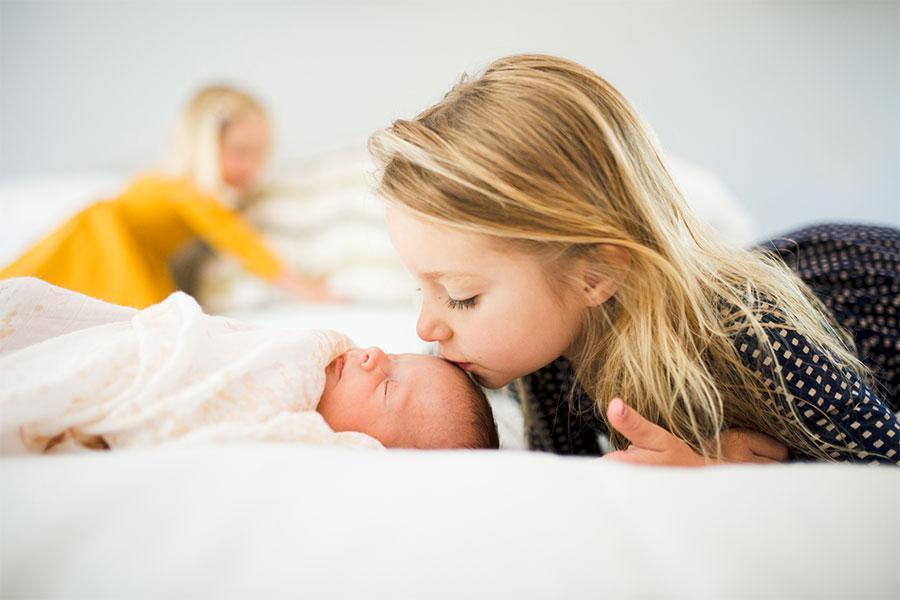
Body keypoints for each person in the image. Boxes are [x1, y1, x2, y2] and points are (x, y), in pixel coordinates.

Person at [368, 54, 900, 465]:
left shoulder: (756, 337)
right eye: (422, 290)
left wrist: (726, 469)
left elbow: (883, 461)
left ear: (595, 274)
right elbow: (564, 477)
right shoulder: (541, 351)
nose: (426, 326)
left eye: (461, 296)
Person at [0, 278, 498, 453]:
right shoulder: (304, 355)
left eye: (388, 387)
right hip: (140, 348)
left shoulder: (310, 438)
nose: (375, 356)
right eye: (394, 356)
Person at [0, 85, 333, 308]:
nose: (253, 166)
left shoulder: (181, 188)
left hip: (124, 246)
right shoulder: (189, 193)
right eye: (240, 152)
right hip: (103, 243)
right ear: (203, 146)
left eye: (259, 153)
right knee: (34, 295)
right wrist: (304, 288)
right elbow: (243, 244)